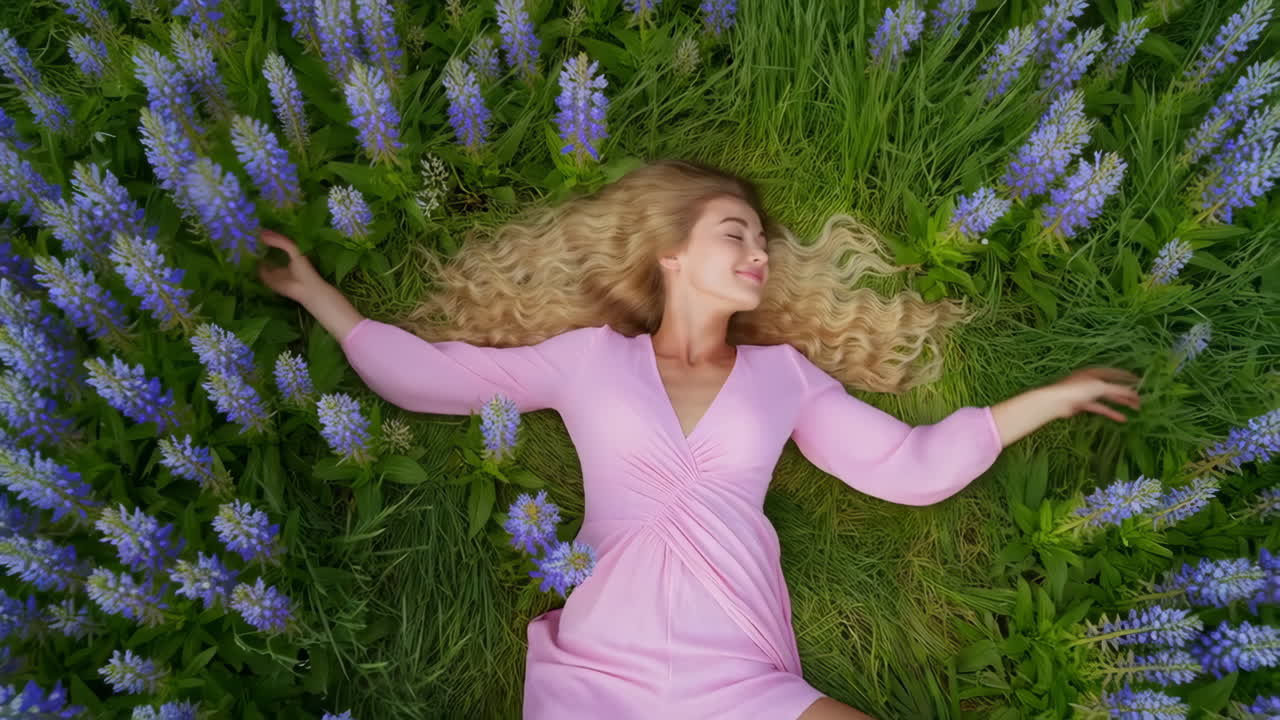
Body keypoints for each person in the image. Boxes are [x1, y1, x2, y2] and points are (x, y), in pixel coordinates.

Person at [257, 158, 1141, 720]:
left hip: (739, 674)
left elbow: (907, 467)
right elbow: (430, 378)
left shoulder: (784, 375)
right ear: (671, 256)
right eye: (735, 234)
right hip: (602, 665)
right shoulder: (587, 360)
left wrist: (1045, 402)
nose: (758, 251)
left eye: (759, 238)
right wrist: (319, 300)